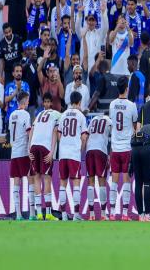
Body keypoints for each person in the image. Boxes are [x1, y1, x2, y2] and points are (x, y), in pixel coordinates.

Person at [108, 76, 138, 221]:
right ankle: (125, 213)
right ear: (127, 88)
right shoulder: (132, 105)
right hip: (127, 147)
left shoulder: (112, 104)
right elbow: (135, 125)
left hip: (115, 147)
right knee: (126, 180)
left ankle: (112, 212)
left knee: (114, 180)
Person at [28, 95, 61, 220]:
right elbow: (55, 132)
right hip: (45, 147)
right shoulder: (57, 114)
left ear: (50, 103)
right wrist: (52, 152)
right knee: (47, 179)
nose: (46, 104)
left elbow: (32, 130)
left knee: (36, 177)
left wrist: (29, 147)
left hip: (34, 146)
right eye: (45, 102)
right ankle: (47, 213)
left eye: (48, 102)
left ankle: (38, 214)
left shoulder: (39, 114)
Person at [57, 91, 88, 221]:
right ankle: (75, 214)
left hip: (63, 153)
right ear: (79, 102)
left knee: (62, 184)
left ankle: (64, 215)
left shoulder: (63, 115)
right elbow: (84, 136)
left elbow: (59, 134)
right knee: (76, 183)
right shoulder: (81, 116)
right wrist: (80, 149)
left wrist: (64, 144)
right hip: (74, 153)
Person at [9, 91, 32, 220]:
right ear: (25, 100)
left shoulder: (12, 115)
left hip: (14, 153)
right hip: (23, 151)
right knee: (31, 180)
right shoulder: (25, 114)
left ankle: (18, 214)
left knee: (16, 182)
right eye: (28, 100)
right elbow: (29, 132)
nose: (28, 102)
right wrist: (31, 148)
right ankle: (33, 213)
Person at [86, 113, 112, 221]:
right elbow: (112, 138)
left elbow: (87, 135)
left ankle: (91, 214)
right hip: (100, 149)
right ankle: (103, 213)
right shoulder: (109, 121)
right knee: (102, 182)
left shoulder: (93, 120)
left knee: (91, 181)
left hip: (89, 150)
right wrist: (109, 154)